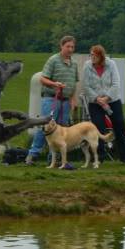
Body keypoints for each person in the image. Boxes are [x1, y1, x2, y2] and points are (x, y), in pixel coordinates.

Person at [26, 35, 79, 165]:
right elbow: (42, 79)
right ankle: (33, 155)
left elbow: (74, 84)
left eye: (72, 47)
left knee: (61, 130)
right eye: (68, 46)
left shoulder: (74, 64)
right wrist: (55, 84)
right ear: (61, 46)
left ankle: (54, 159)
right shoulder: (53, 60)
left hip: (65, 101)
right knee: (45, 127)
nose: (70, 49)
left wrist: (73, 99)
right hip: (51, 99)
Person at [82, 44, 125, 166]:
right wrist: (97, 99)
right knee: (97, 129)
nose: (92, 57)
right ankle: (99, 158)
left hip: (113, 101)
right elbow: (86, 86)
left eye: (94, 55)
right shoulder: (87, 66)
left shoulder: (111, 64)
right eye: (91, 54)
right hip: (95, 103)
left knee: (119, 127)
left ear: (101, 56)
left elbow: (116, 84)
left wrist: (106, 98)